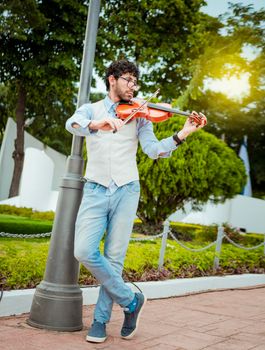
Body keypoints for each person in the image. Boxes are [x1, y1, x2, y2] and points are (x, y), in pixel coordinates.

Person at [65, 59, 207, 343]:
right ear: (112, 79)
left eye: (135, 81)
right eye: (128, 80)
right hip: (94, 188)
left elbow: (153, 150)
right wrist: (99, 124)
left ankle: (100, 322)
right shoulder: (91, 109)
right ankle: (131, 300)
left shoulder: (141, 114)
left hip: (127, 189)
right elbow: (73, 124)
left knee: (114, 259)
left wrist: (183, 134)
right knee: (83, 250)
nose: (133, 87)